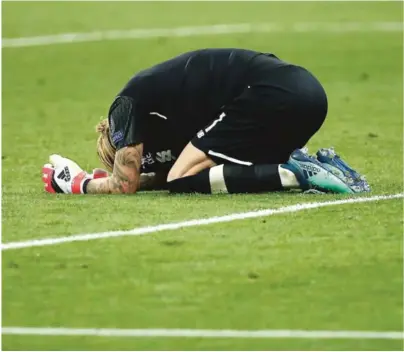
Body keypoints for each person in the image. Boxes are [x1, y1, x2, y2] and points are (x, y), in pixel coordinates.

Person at [42, 48, 370, 195]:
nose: (142, 165)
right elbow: (153, 174)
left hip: (271, 93)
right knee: (196, 170)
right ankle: (318, 165)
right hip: (307, 94)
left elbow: (125, 184)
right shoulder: (172, 111)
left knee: (181, 180)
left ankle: (296, 174)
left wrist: (79, 183)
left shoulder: (124, 107)